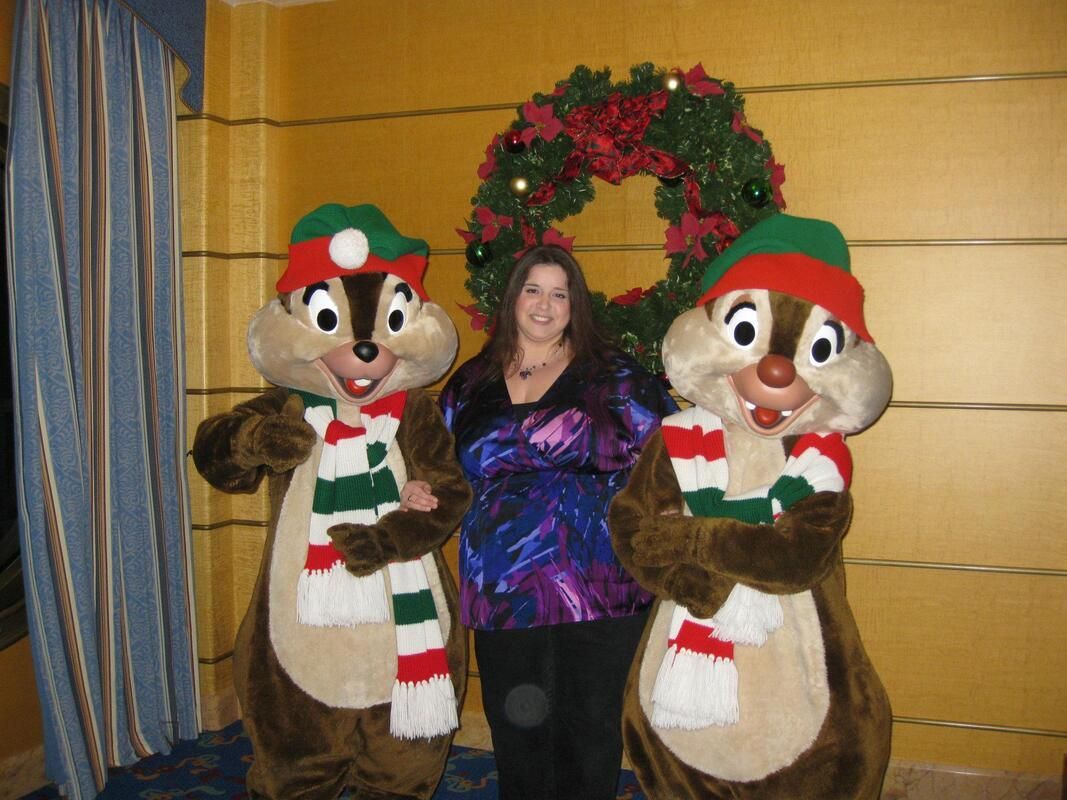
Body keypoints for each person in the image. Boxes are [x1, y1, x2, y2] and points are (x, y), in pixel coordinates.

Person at [407, 244, 677, 799]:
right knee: (517, 719)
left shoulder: (618, 377)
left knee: (588, 721)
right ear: (513, 300)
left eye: (560, 293)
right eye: (533, 290)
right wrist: (419, 486)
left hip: (599, 578)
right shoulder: (471, 381)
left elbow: (670, 455)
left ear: (575, 305)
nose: (545, 305)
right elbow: (439, 461)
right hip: (503, 580)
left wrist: (671, 507)